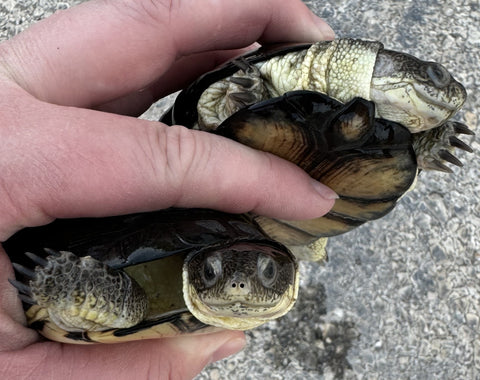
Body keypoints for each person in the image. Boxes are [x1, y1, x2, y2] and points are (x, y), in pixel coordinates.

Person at [0, 0, 335, 378]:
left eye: (267, 273)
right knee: (123, 305)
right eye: (211, 272)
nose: (239, 285)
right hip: (103, 276)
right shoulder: (125, 302)